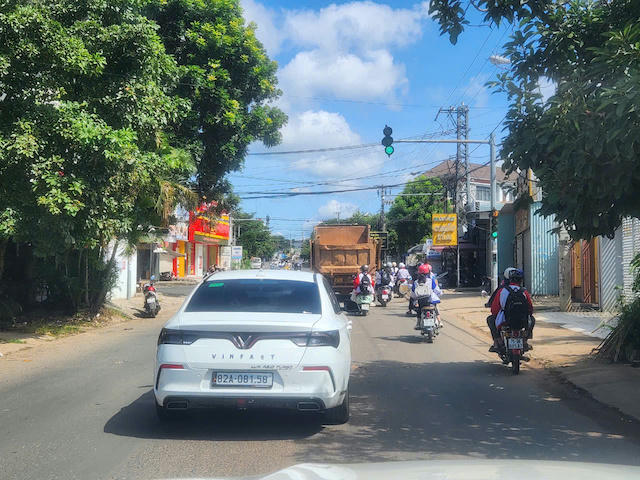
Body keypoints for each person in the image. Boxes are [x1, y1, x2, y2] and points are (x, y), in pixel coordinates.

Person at [488, 268, 535, 352]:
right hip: (522, 321)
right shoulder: (524, 291)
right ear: (521, 280)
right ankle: (525, 341)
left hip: (505, 321)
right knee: (532, 319)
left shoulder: (502, 291)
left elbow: (494, 310)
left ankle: (497, 342)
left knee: (490, 319)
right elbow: (530, 309)